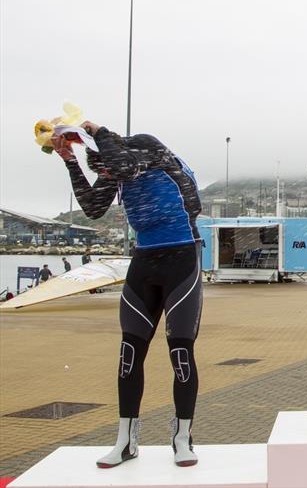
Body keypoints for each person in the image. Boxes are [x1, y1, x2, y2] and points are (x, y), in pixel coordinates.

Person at [52, 120, 203, 468]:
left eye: (105, 165)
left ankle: (182, 437)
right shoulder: (116, 166)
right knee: (129, 354)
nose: (106, 173)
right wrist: (71, 161)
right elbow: (92, 207)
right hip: (144, 260)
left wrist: (96, 130)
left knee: (180, 351)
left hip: (182, 255)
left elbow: (121, 164)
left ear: (115, 147)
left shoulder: (148, 147)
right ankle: (126, 442)